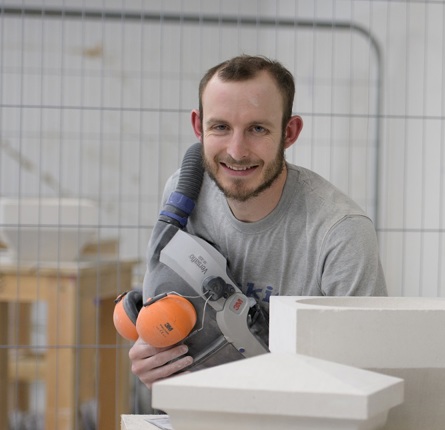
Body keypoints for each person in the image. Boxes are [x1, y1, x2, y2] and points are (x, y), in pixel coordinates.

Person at [129, 54, 387, 389]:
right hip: (197, 406)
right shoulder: (182, 192)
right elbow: (161, 300)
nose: (237, 151)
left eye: (257, 129)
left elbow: (365, 377)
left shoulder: (342, 232)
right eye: (220, 127)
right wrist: (150, 354)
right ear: (198, 127)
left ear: (289, 132)